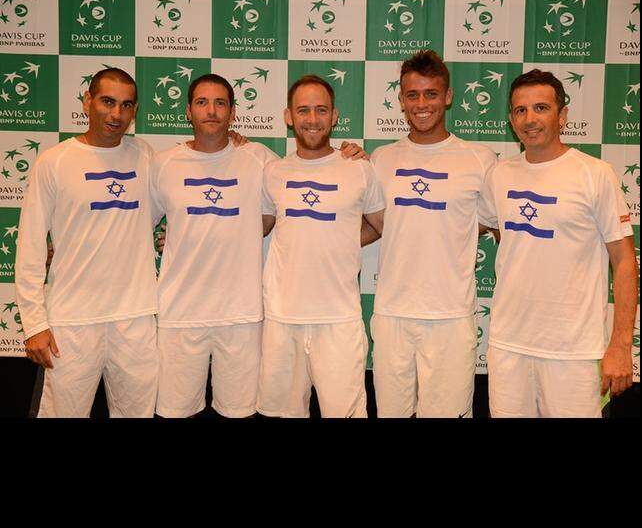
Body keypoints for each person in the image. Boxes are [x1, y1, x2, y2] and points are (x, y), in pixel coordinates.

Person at [149, 74, 366, 419]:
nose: (211, 111)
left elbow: (295, 202)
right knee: (175, 412)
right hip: (180, 313)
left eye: (220, 103)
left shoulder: (262, 160)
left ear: (233, 113)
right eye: (202, 103)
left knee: (240, 413)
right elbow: (134, 226)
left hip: (243, 315)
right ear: (188, 111)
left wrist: (349, 155)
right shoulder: (162, 164)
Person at [481, 70, 638, 418]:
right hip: (508, 347)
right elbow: (489, 229)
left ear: (562, 115)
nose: (530, 119)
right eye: (520, 110)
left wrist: (621, 344)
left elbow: (625, 260)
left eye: (541, 108)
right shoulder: (499, 175)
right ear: (511, 120)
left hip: (574, 353)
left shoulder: (595, 174)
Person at [15, 68, 160, 417]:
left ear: (135, 111)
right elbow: (30, 247)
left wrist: (232, 139)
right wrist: (34, 324)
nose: (116, 114)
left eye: (126, 105)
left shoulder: (146, 157)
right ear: (87, 102)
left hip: (135, 318)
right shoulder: (54, 161)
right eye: (107, 102)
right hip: (71, 321)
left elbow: (193, 175)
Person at [362, 49, 498, 418]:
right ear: (401, 99)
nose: (421, 104)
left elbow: (496, 223)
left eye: (431, 94)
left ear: (448, 96)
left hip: (451, 316)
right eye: (413, 95)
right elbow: (367, 226)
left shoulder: (480, 159)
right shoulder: (380, 159)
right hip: (392, 314)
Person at [256, 75, 382, 418]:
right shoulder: (272, 171)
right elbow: (255, 229)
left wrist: (341, 238)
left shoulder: (359, 169)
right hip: (283, 318)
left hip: (339, 319)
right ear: (288, 116)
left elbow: (381, 225)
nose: (312, 119)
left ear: (335, 116)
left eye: (321, 110)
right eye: (303, 110)